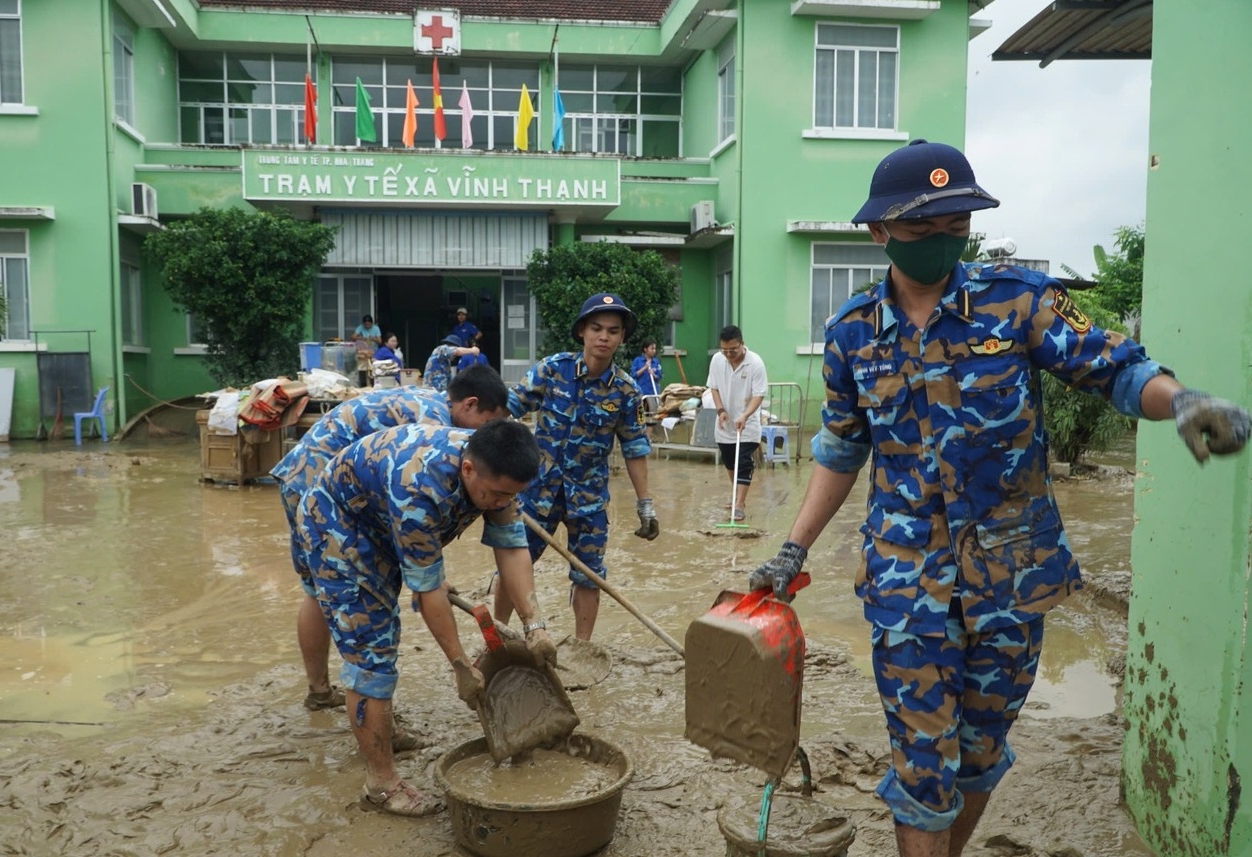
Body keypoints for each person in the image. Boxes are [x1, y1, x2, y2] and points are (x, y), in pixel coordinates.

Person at [747, 139, 1251, 857]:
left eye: (957, 225)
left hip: (1013, 578)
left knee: (980, 754)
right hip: (906, 581)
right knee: (923, 769)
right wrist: (793, 547)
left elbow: (1116, 369)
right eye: (924, 229)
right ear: (879, 230)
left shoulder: (1018, 302)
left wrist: (1182, 402)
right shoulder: (851, 334)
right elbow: (840, 449)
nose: (943, 241)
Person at [296, 419, 556, 817]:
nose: (503, 502)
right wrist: (460, 665)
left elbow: (511, 546)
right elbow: (429, 593)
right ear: (468, 469)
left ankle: (383, 732)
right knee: (372, 657)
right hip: (340, 527)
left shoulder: (495, 474)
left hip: (385, 521)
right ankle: (381, 785)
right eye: (497, 494)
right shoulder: (418, 488)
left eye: (512, 496)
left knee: (387, 635)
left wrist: (534, 625)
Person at [270, 365, 512, 715]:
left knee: (316, 590)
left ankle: (320, 692)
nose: (485, 435)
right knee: (331, 589)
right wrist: (427, 580)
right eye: (487, 423)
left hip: (322, 477)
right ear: (470, 405)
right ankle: (331, 690)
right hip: (317, 485)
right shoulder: (433, 428)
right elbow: (412, 506)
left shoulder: (437, 405)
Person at [494, 292, 659, 640]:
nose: (604, 336)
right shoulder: (553, 370)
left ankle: (581, 648)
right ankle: (500, 637)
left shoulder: (626, 392)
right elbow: (507, 407)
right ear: (582, 331)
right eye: (596, 328)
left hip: (589, 498)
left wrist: (645, 504)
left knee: (588, 574)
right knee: (514, 562)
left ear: (622, 337)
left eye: (613, 331)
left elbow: (635, 447)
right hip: (536, 491)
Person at [706, 325, 768, 522]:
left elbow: (759, 394)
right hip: (725, 423)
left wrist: (746, 415)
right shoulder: (717, 360)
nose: (728, 354)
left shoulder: (755, 363)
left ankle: (740, 504)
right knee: (730, 462)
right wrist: (721, 410)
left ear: (742, 344)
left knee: (743, 463)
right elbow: (713, 388)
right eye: (724, 350)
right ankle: (736, 495)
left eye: (733, 350)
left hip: (747, 424)